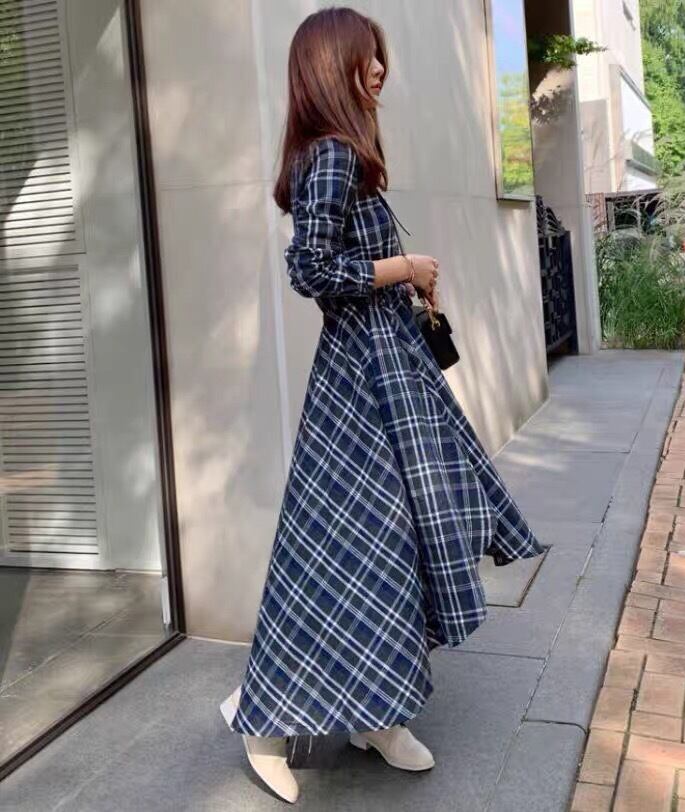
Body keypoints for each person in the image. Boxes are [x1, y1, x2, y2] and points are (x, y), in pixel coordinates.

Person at [220, 7, 545, 804]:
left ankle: (378, 710)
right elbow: (310, 269)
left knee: (394, 542)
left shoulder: (343, 154)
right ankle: (263, 721)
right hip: (361, 382)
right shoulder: (331, 153)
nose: (379, 70)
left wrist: (407, 280)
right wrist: (405, 268)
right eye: (366, 58)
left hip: (386, 368)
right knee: (341, 546)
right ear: (329, 67)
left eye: (380, 57)